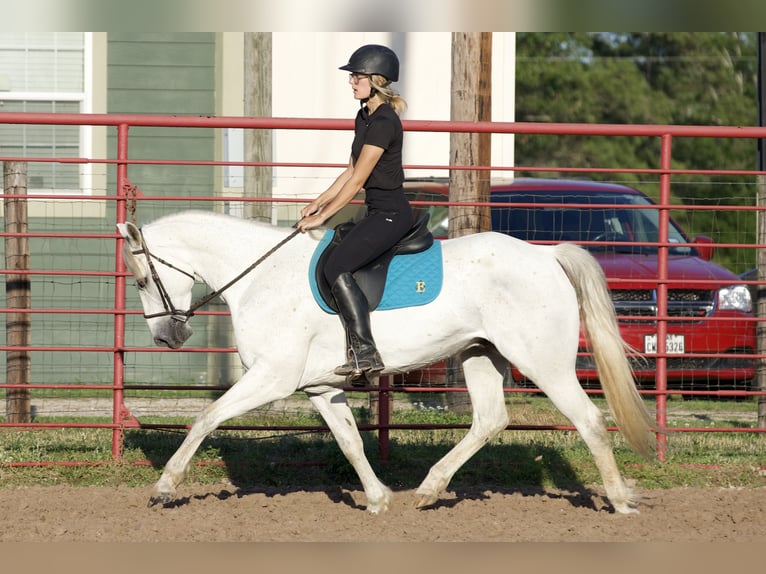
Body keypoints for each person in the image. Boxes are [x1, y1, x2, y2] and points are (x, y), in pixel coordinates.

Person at [297, 44, 413, 379]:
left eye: (357, 76)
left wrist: (324, 217)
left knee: (337, 264)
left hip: (391, 214)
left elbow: (360, 179)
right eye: (352, 76)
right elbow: (349, 170)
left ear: (377, 79)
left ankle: (365, 352)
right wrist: (318, 201)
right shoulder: (364, 117)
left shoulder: (384, 123)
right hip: (375, 211)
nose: (351, 82)